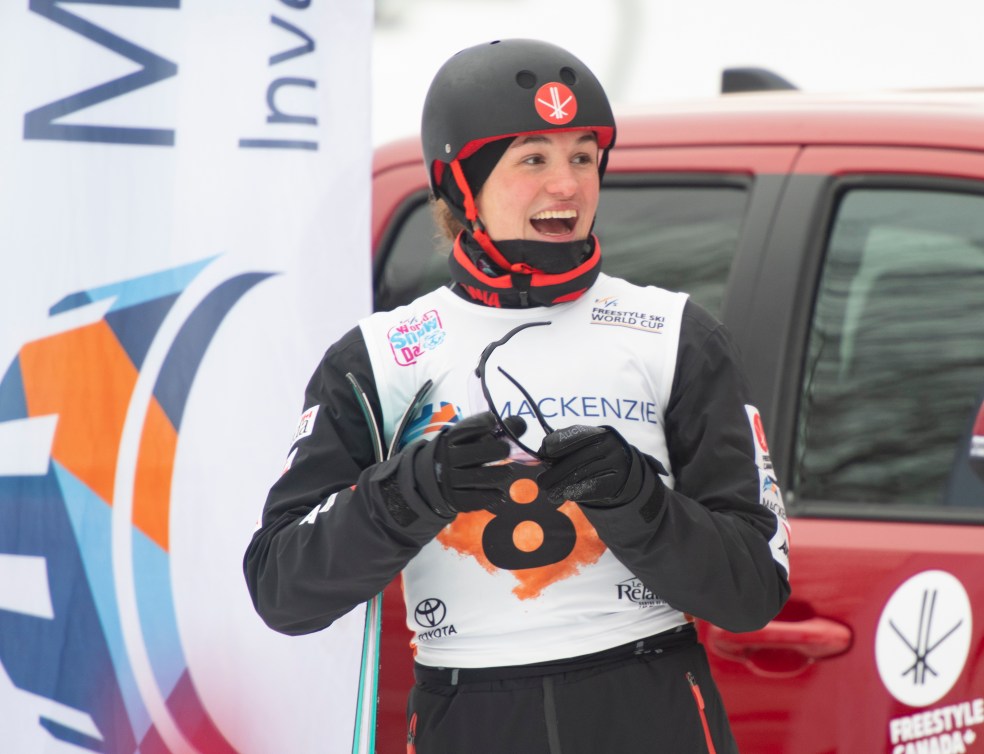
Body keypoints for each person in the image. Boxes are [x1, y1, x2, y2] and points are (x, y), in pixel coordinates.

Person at [244, 38, 791, 754]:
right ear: (460, 183)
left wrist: (637, 500)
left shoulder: (674, 334)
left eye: (582, 157)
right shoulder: (380, 356)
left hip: (648, 707)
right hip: (468, 715)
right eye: (533, 158)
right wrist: (415, 490)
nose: (566, 185)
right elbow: (282, 589)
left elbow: (754, 589)